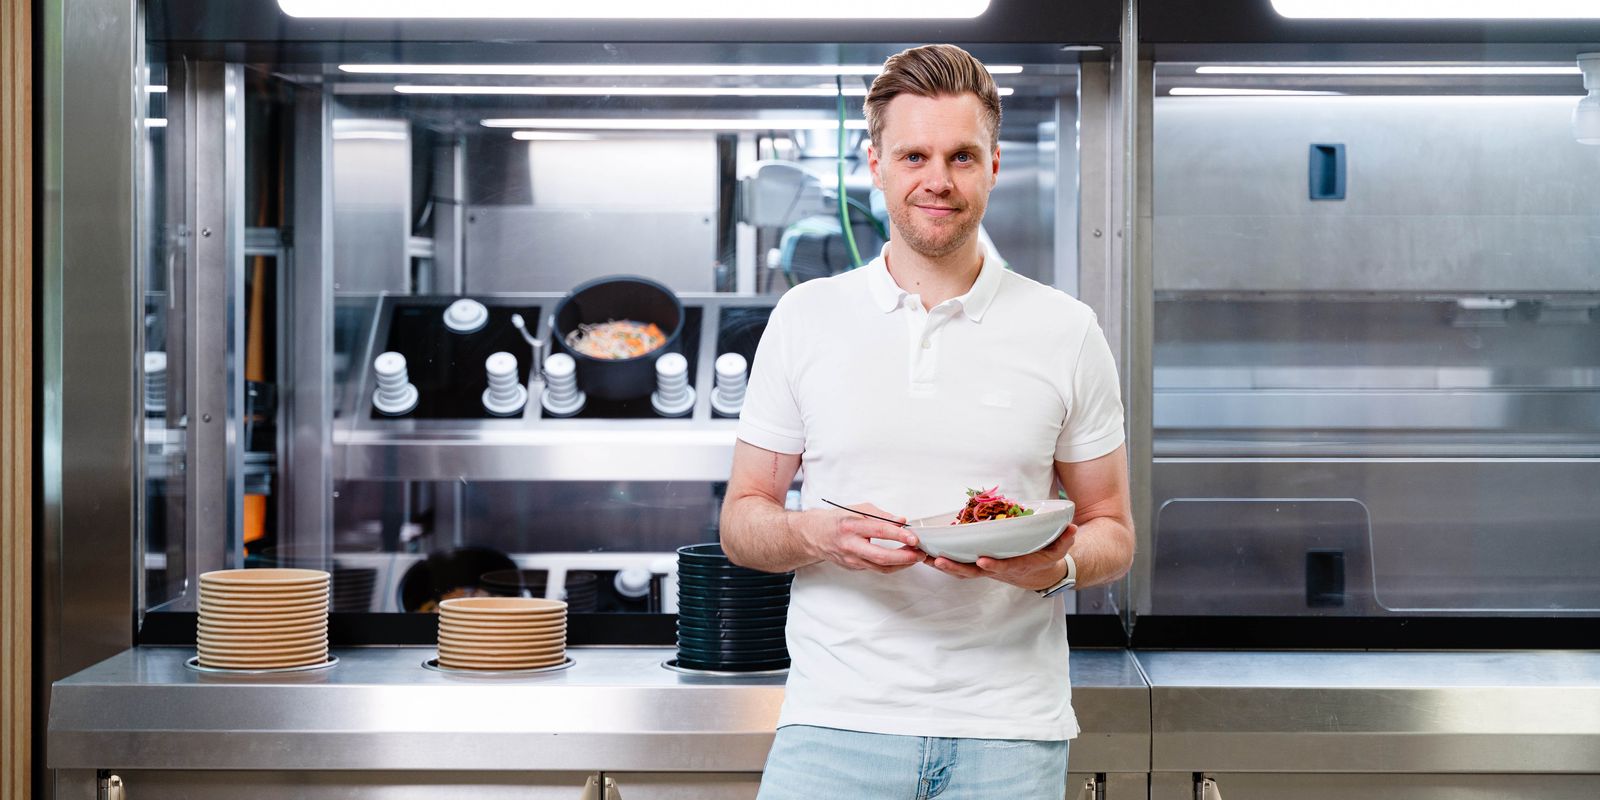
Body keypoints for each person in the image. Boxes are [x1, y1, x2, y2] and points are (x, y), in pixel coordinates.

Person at [720, 44, 1136, 800]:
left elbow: (1112, 527)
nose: (937, 180)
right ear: (876, 163)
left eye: (961, 157)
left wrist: (1059, 567)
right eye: (914, 155)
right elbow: (743, 522)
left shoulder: (1066, 329)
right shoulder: (805, 319)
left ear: (995, 166)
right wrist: (820, 534)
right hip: (836, 727)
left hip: (1010, 733)